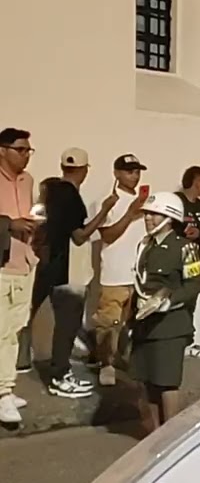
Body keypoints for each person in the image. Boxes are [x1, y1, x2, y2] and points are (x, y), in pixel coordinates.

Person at [18, 148, 107, 398]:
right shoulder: (72, 197)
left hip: (45, 265)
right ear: (84, 170)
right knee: (67, 326)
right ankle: (60, 377)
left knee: (26, 315)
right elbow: (80, 236)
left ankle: (21, 363)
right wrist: (104, 212)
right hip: (68, 270)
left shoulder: (49, 193)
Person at [129, 192, 200, 432]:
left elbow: (195, 284)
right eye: (148, 214)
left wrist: (169, 301)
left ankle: (171, 435)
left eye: (155, 214)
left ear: (170, 217)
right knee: (147, 380)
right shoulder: (145, 246)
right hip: (145, 321)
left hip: (170, 324)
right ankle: (154, 435)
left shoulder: (185, 248)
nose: (148, 218)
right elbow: (140, 284)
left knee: (166, 381)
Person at [89, 154, 149, 387]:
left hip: (138, 273)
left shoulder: (145, 200)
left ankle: (123, 359)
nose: (134, 176)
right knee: (108, 323)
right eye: (129, 171)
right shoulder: (108, 201)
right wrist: (131, 213)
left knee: (131, 322)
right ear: (116, 173)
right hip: (114, 273)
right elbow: (108, 235)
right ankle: (106, 364)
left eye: (137, 171)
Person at [0, 129, 40, 422]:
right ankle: (2, 394)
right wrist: (8, 224)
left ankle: (6, 387)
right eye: (20, 149)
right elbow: (10, 222)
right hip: (1, 265)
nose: (26, 155)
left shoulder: (28, 181)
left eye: (29, 150)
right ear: (3, 150)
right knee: (1, 332)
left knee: (14, 330)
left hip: (23, 262)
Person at [178, 165, 200, 360]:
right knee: (175, 300)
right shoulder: (175, 202)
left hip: (194, 262)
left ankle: (188, 342)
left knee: (191, 299)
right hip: (174, 262)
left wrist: (199, 234)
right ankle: (174, 342)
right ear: (197, 181)